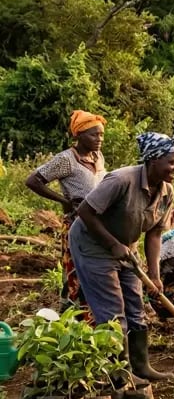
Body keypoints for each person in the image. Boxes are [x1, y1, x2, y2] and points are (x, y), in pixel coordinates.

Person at [69, 132, 174, 383]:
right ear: (153, 160)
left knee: (136, 306)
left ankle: (141, 366)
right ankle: (118, 373)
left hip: (126, 248)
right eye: (172, 162)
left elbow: (154, 234)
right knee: (112, 309)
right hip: (93, 245)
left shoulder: (166, 191)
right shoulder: (121, 180)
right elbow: (85, 211)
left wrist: (154, 276)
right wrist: (111, 244)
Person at [24, 110, 107, 316]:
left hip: (99, 224)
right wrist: (63, 201)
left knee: (96, 269)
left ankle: (92, 315)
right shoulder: (66, 159)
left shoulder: (98, 157)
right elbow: (33, 180)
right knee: (76, 272)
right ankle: (73, 316)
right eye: (94, 134)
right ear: (78, 135)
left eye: (101, 134)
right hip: (77, 224)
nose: (99, 139)